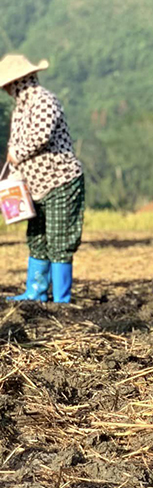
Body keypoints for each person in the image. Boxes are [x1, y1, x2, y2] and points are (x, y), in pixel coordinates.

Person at [3, 54, 84, 304]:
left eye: (7, 84)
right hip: (34, 185)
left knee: (59, 239)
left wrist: (15, 154)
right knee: (37, 237)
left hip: (61, 182)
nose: (5, 89)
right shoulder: (20, 109)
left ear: (19, 81)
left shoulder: (44, 101)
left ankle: (61, 299)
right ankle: (35, 292)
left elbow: (40, 136)